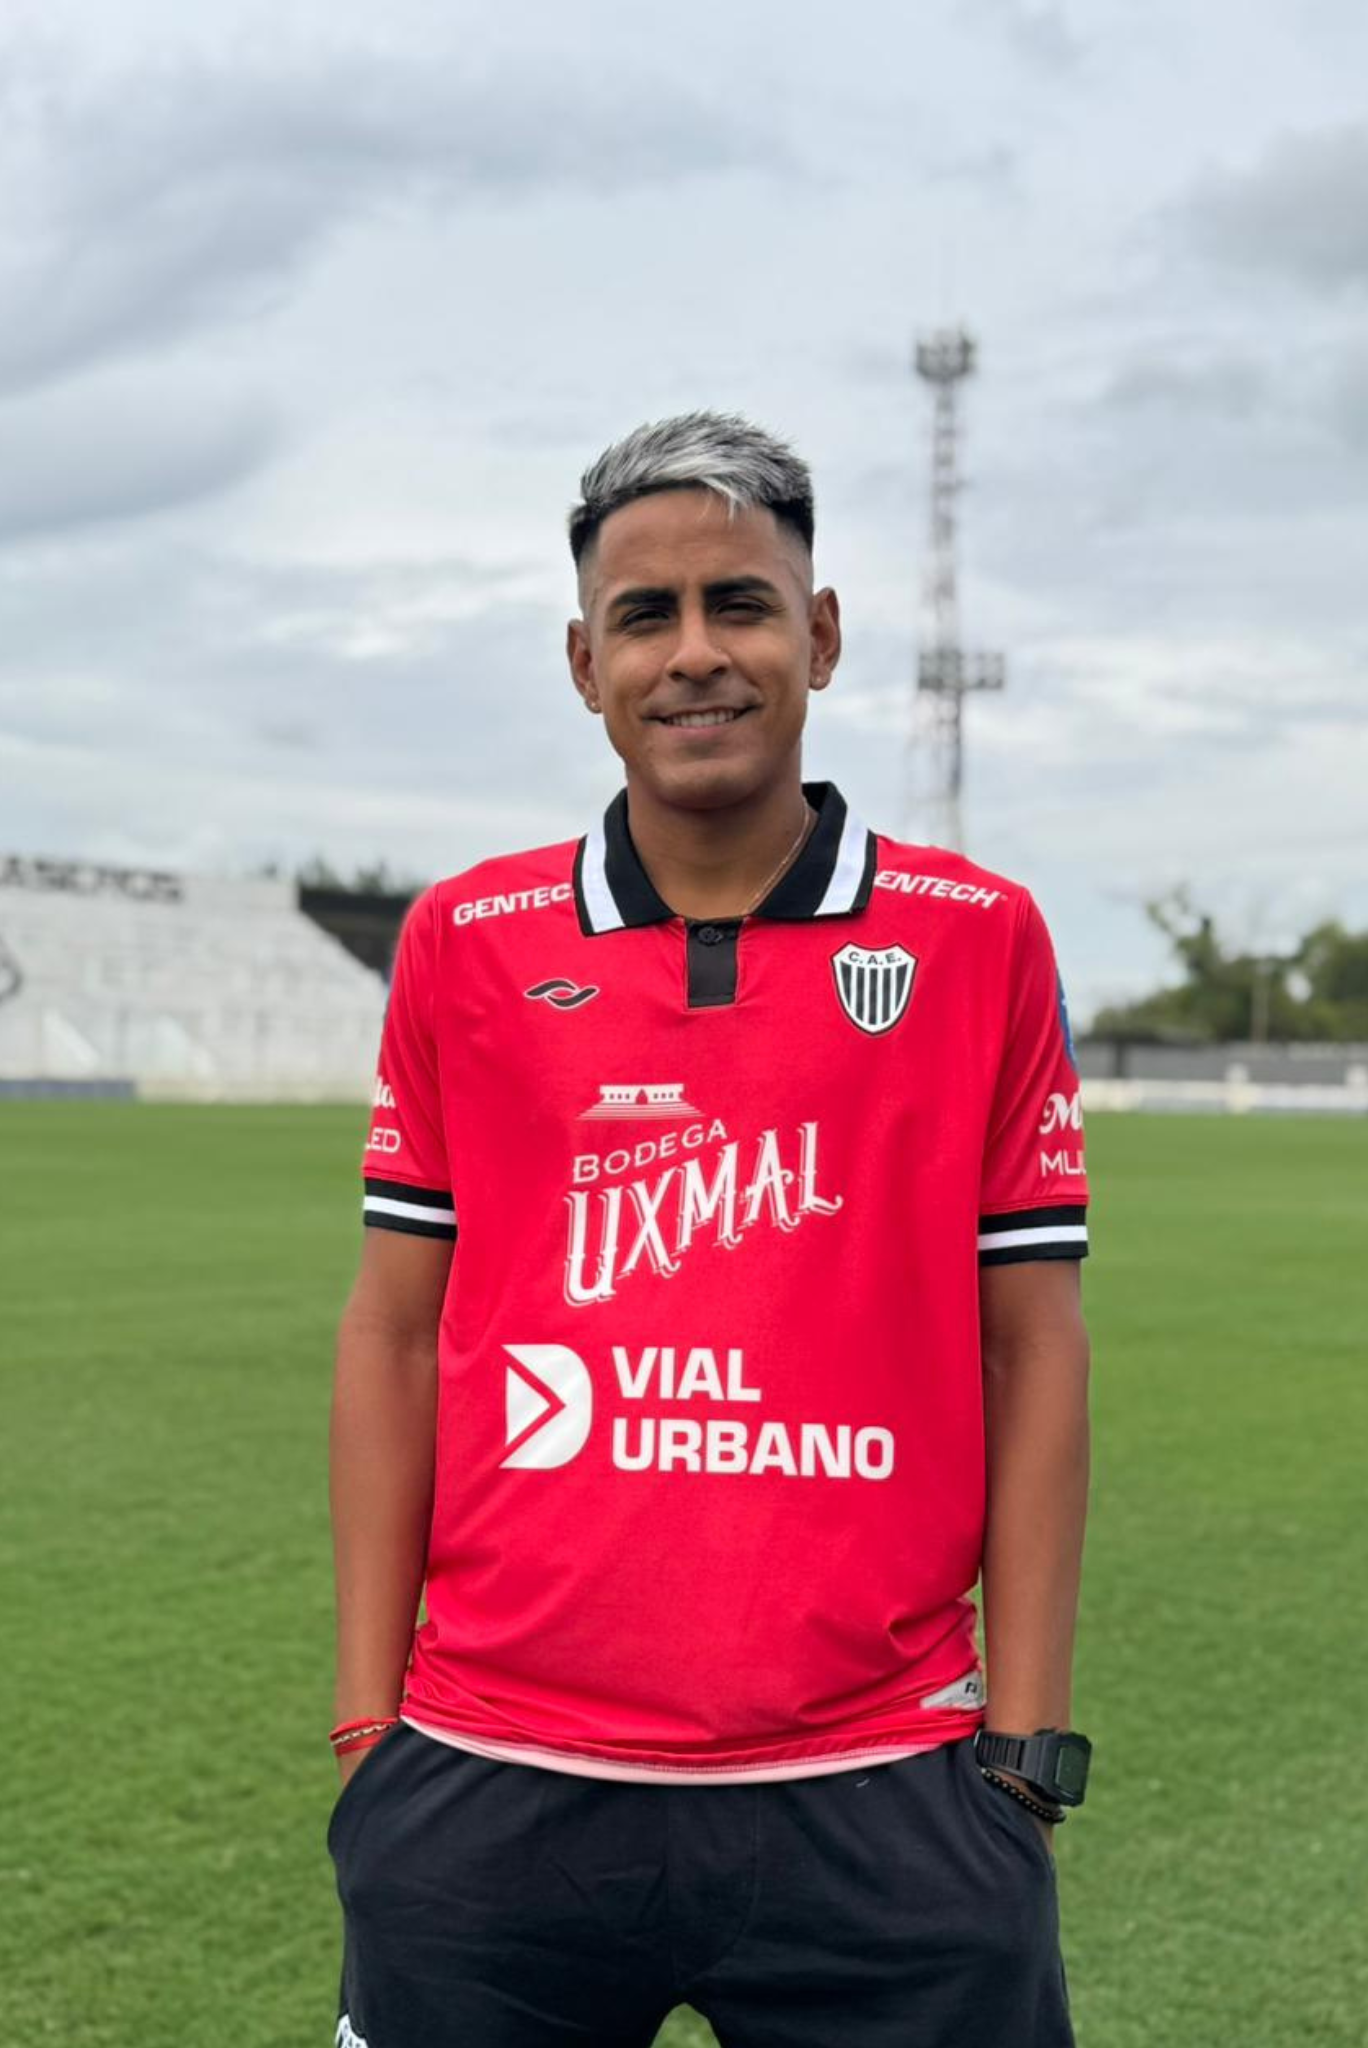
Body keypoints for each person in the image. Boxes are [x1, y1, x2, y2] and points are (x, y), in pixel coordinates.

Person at [327, 411, 1093, 2048]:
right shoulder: (468, 938)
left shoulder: (977, 940)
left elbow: (1031, 1348)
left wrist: (1024, 1753)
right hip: (490, 1783)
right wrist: (366, 1734)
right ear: (583, 664)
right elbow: (391, 1332)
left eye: (740, 604)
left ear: (821, 635)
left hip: (886, 1789)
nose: (694, 654)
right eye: (644, 617)